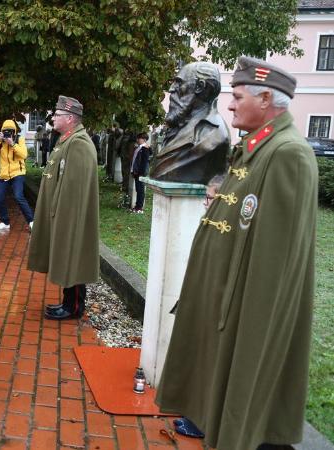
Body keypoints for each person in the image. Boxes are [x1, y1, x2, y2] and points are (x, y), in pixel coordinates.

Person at [155, 57, 318, 450]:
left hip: (247, 309)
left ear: (265, 99)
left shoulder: (287, 155)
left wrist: (249, 327)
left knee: (251, 407)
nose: (229, 105)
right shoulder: (258, 148)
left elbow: (277, 263)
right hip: (224, 296)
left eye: (238, 96)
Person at [27, 96, 99, 321]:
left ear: (70, 118)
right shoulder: (66, 139)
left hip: (70, 215)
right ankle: (68, 302)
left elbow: (75, 191)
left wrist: (63, 216)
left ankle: (74, 306)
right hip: (60, 212)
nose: (53, 118)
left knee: (73, 255)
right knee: (66, 255)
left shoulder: (78, 144)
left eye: (57, 115)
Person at [150, 61, 230, 184]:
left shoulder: (214, 135)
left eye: (179, 82)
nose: (171, 89)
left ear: (200, 87)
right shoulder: (178, 126)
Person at [0, 119, 34, 230]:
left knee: (19, 196)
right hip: (3, 174)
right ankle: (5, 222)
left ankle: (31, 221)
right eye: (5, 131)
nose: (8, 133)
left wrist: (12, 144)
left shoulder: (19, 139)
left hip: (17, 173)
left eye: (10, 131)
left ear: (14, 131)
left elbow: (23, 155)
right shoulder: (0, 141)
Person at [130, 132, 151, 213]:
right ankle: (137, 206)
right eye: (137, 138)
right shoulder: (139, 147)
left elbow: (144, 162)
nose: (137, 140)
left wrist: (140, 173)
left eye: (139, 138)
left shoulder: (145, 148)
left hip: (140, 173)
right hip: (136, 172)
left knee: (140, 190)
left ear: (144, 140)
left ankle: (139, 207)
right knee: (138, 190)